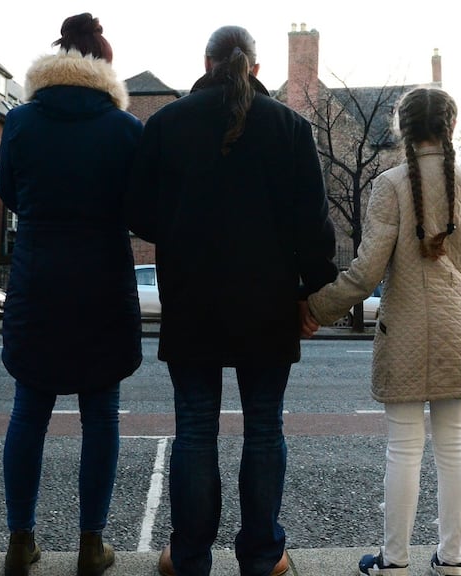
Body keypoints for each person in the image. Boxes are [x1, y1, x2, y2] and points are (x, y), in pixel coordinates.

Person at [125, 25, 338, 576]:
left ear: (206, 62)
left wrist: (175, 229)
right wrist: (313, 295)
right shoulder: (291, 128)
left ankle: (190, 556)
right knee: (265, 427)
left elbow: (138, 212)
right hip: (268, 303)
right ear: (257, 69)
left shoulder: (167, 123)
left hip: (192, 298)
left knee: (196, 426)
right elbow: (314, 227)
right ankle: (264, 555)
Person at [303, 87, 461, 576]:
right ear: (451, 127)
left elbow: (366, 273)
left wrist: (316, 308)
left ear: (403, 129)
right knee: (454, 447)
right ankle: (452, 561)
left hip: (405, 329)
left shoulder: (390, 185)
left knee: (403, 449)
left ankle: (394, 561)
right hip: (459, 332)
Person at [0, 13, 143, 576]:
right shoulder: (125, 129)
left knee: (28, 412)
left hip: (37, 283)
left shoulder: (21, 123)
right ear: (104, 66)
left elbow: (8, 192)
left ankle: (19, 541)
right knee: (101, 415)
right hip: (103, 284)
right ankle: (90, 544)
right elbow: (137, 205)